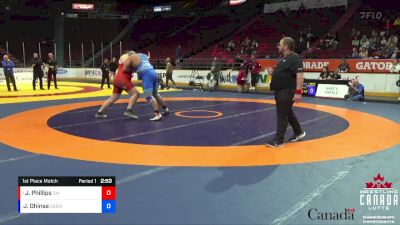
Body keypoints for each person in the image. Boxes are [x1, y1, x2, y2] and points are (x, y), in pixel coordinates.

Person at [96, 51, 170, 121]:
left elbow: (127, 65)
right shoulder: (136, 57)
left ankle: (99, 112)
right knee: (137, 93)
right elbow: (127, 67)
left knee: (114, 97)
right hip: (126, 79)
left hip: (117, 79)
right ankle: (129, 109)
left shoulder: (126, 59)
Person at [267, 37, 305, 148]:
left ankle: (278, 141)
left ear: (286, 46)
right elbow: (283, 74)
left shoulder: (295, 57)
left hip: (287, 91)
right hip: (280, 90)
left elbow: (300, 75)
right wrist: (272, 73)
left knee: (281, 114)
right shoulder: (282, 58)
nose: (278, 46)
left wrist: (298, 92)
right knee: (287, 112)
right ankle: (299, 132)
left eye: (280, 44)